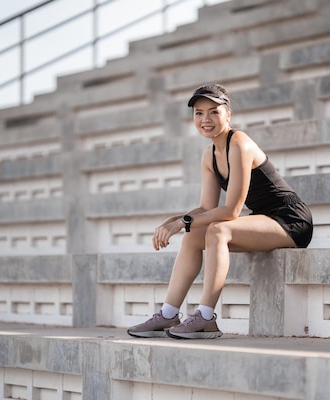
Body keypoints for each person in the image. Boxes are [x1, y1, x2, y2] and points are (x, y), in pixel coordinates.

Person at [127, 83, 313, 339]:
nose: (206, 119)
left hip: (290, 219)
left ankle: (205, 317)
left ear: (228, 114)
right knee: (194, 235)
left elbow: (231, 210)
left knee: (217, 229)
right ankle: (168, 314)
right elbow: (206, 207)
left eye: (214, 111)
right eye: (199, 113)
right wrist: (175, 221)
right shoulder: (209, 155)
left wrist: (183, 221)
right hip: (262, 220)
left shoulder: (240, 143)